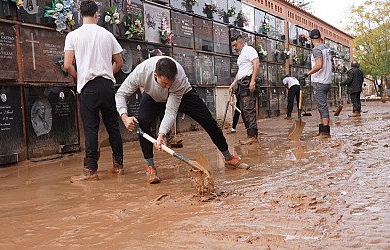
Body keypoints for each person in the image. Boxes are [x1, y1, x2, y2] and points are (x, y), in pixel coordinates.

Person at [115, 56, 248, 184]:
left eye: (170, 83)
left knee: (209, 121)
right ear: (155, 75)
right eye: (164, 82)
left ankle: (228, 158)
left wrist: (161, 134)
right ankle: (150, 167)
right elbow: (121, 94)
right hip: (153, 96)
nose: (167, 86)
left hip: (184, 95)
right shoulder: (141, 72)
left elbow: (171, 111)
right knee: (143, 122)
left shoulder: (178, 79)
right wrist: (124, 117)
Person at [64, 0, 124, 182]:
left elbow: (67, 65)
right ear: (97, 14)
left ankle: (91, 171)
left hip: (88, 87)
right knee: (113, 126)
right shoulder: (107, 35)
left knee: (91, 128)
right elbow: (119, 63)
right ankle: (118, 166)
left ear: (80, 15)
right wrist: (107, 72)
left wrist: (80, 76)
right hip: (107, 86)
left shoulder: (73, 36)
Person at [299, 29, 333, 138]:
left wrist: (307, 74)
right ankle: (322, 128)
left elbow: (319, 65)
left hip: (320, 81)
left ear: (310, 38)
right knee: (321, 106)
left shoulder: (317, 49)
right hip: (327, 80)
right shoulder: (326, 48)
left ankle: (325, 132)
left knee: (322, 107)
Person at [229, 35, 260, 145]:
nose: (234, 48)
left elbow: (256, 64)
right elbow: (240, 71)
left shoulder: (249, 50)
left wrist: (253, 81)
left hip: (248, 81)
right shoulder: (241, 55)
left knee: (249, 109)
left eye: (235, 45)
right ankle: (251, 134)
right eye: (233, 46)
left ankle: (252, 135)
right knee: (244, 109)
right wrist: (233, 83)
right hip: (242, 82)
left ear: (241, 43)